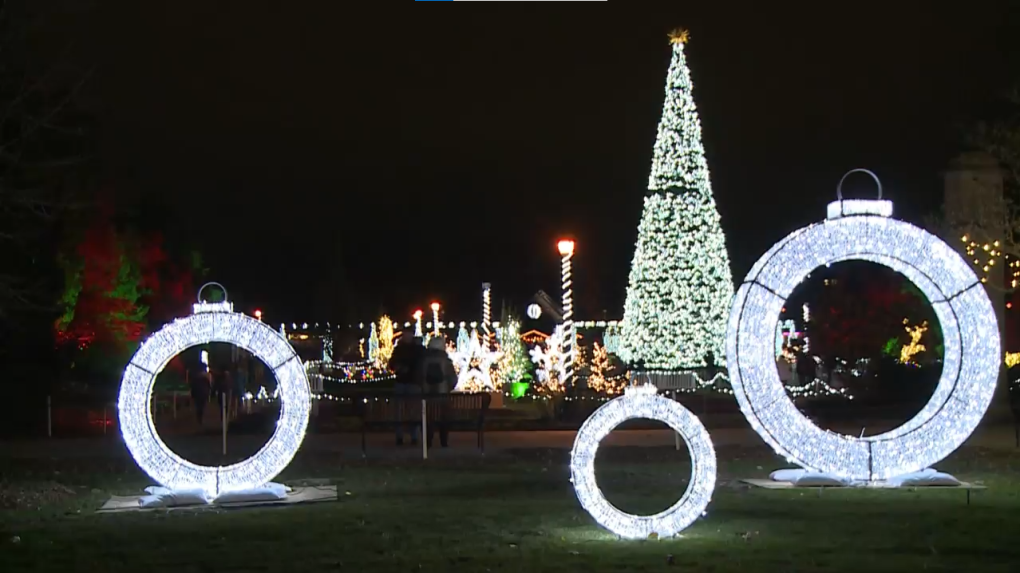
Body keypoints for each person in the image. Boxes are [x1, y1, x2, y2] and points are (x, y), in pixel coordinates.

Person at [416, 336, 457, 449]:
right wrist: (448, 387)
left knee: (428, 417)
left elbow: (418, 377)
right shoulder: (446, 361)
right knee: (444, 416)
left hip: (427, 395)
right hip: (442, 394)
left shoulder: (423, 361)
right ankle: (444, 441)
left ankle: (428, 441)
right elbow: (453, 379)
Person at [389, 335, 425, 445]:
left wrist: (399, 367)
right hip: (410, 382)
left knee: (407, 410)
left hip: (407, 382)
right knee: (409, 410)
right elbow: (392, 364)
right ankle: (409, 436)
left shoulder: (400, 349)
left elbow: (392, 364)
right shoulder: (416, 349)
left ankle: (407, 435)